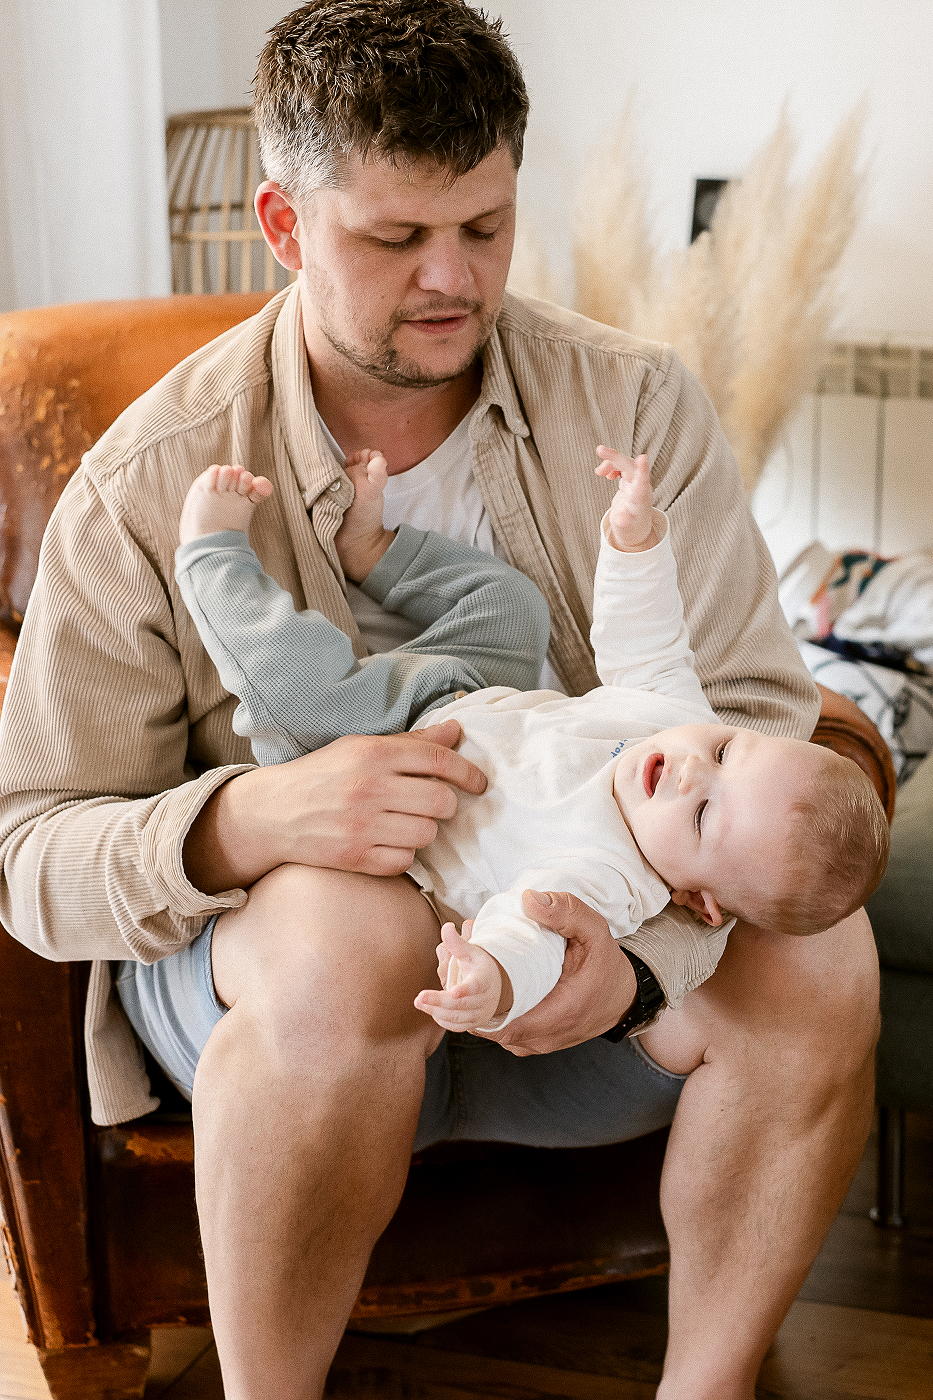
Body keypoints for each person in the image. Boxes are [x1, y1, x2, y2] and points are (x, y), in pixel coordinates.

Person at [0, 4, 881, 1398]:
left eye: (484, 225)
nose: (452, 279)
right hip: (286, 998)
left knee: (826, 958)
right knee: (345, 917)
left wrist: (642, 956)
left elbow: (756, 724)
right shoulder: (146, 476)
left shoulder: (633, 404)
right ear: (283, 225)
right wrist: (256, 818)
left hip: (584, 964)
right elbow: (32, 855)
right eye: (396, 239)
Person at [164, 451, 888, 1039]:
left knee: (295, 684)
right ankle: (374, 550)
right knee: (514, 608)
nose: (687, 771)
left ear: (697, 902)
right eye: (728, 753)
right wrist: (636, 542)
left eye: (702, 816)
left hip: (377, 752)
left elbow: (533, 934)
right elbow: (647, 637)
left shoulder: (609, 875)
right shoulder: (671, 716)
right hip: (467, 690)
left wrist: (494, 979)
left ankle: (213, 555)